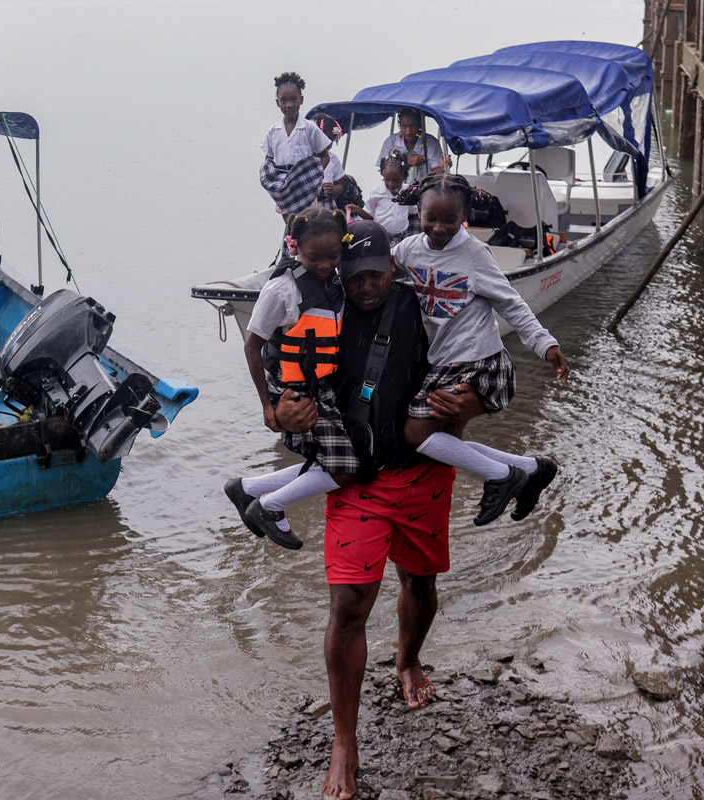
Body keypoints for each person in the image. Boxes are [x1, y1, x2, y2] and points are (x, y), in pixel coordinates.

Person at [270, 225, 484, 800]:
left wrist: (475, 400)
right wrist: (282, 412)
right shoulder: (320, 313)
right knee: (347, 603)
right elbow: (281, 376)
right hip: (357, 480)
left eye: (377, 273)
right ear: (338, 270)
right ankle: (345, 740)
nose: (367, 286)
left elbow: (484, 359)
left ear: (395, 265)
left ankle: (408, 659)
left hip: (421, 470)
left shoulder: (426, 305)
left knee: (420, 578)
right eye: (354, 274)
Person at [393, 173, 568, 525]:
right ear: (419, 212)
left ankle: (502, 477)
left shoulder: (474, 254)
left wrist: (545, 344)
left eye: (450, 220)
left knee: (416, 433)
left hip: (476, 359)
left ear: (465, 216)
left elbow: (512, 303)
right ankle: (531, 469)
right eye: (430, 218)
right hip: (441, 361)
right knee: (443, 442)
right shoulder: (409, 249)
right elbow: (382, 266)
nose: (439, 227)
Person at [226, 207, 357, 550]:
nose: (326, 264)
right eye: (316, 258)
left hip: (321, 386)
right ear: (294, 247)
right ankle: (269, 507)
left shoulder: (334, 282)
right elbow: (252, 347)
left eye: (334, 256)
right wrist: (268, 406)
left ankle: (249, 489)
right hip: (291, 390)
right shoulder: (283, 290)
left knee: (331, 460)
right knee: (343, 469)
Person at [260, 72, 333, 219]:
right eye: (284, 101)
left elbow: (325, 156)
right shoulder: (274, 131)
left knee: (307, 223)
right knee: (290, 223)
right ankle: (290, 242)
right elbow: (268, 161)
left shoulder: (309, 128)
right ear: (277, 102)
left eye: (294, 99)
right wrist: (275, 184)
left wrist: (313, 178)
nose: (289, 105)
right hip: (284, 188)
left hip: (305, 186)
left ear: (301, 100)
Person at [345, 149, 409, 244]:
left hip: (401, 238)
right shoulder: (377, 193)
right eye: (387, 179)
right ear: (383, 174)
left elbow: (415, 211)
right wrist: (358, 210)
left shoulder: (407, 191)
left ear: (404, 176)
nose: (391, 184)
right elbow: (371, 218)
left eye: (396, 180)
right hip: (380, 236)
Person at [375, 108, 451, 185]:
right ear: (400, 125)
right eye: (404, 126)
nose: (408, 131)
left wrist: (442, 167)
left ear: (419, 124)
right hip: (396, 188)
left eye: (413, 126)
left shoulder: (430, 142)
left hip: (424, 188)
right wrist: (406, 162)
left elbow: (437, 174)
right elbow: (383, 169)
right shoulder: (391, 141)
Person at [312, 114, 346, 210]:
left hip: (327, 205)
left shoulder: (333, 158)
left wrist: (333, 189)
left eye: (332, 140)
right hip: (307, 205)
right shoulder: (305, 157)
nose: (329, 143)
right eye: (326, 139)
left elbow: (340, 184)